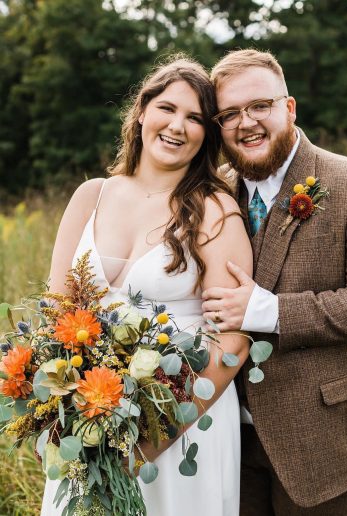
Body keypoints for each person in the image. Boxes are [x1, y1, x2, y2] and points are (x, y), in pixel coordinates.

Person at [40, 56, 252, 516]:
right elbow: (56, 314)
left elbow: (232, 340)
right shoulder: (90, 196)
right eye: (167, 108)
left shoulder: (215, 210)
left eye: (195, 118)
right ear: (141, 112)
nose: (178, 126)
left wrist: (154, 438)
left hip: (184, 425)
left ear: (206, 135)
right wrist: (58, 415)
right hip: (92, 422)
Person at [202, 49, 347, 515]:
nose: (245, 123)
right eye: (229, 113)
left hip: (321, 439)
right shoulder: (212, 193)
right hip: (228, 434)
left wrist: (267, 311)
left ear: (289, 108)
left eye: (259, 106)